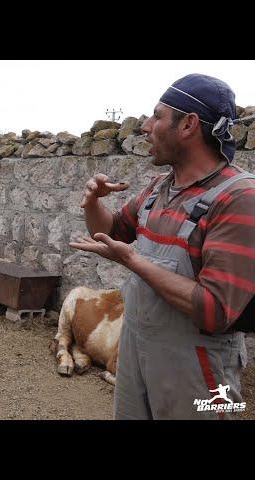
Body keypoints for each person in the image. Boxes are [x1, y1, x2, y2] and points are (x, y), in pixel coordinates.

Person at [70, 74, 255, 420]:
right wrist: (93, 202)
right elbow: (110, 232)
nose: (145, 126)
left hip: (201, 368)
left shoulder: (239, 198)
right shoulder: (159, 188)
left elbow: (216, 310)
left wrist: (134, 262)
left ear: (188, 124)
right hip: (137, 351)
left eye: (157, 116)